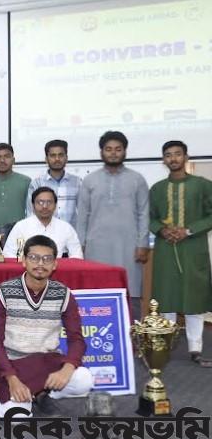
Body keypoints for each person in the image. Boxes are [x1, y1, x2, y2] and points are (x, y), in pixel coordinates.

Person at [0, 235, 93, 417]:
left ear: (55, 264)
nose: (40, 264)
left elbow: (76, 339)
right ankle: (14, 390)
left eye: (47, 259)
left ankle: (43, 392)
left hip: (48, 364)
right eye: (34, 258)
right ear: (23, 261)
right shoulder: (3, 292)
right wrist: (11, 378)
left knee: (84, 380)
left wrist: (67, 369)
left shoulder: (64, 294)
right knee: (17, 418)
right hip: (15, 366)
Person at [149, 140, 212, 367]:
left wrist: (189, 230)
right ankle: (165, 346)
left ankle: (195, 349)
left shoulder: (203, 185)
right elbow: (150, 217)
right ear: (163, 160)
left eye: (177, 154)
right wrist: (162, 230)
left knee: (194, 300)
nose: (173, 158)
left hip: (193, 248)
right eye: (168, 155)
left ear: (186, 157)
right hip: (166, 248)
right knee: (167, 298)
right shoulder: (157, 189)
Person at [76, 131, 149, 299]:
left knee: (129, 290)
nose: (113, 153)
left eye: (118, 149)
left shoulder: (137, 179)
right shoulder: (90, 180)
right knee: (96, 290)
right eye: (108, 149)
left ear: (125, 151)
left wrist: (142, 244)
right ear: (102, 152)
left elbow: (143, 213)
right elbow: (82, 216)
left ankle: (130, 317)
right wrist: (80, 245)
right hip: (96, 246)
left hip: (129, 246)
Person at [3, 187, 83, 259]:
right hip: (27, 268)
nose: (45, 206)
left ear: (55, 205)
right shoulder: (20, 226)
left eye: (49, 202)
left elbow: (77, 255)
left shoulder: (65, 228)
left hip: (56, 268)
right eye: (40, 202)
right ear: (33, 205)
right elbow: (8, 254)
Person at [25, 140, 81, 228]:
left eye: (61, 155)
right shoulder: (37, 183)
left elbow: (84, 212)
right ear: (46, 159)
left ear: (66, 158)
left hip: (70, 233)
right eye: (53, 155)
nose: (57, 159)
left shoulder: (77, 183)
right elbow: (31, 213)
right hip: (44, 234)